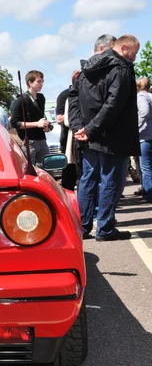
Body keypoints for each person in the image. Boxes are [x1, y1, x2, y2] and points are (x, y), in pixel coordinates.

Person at [70, 35, 140, 241]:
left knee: (88, 179)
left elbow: (73, 99)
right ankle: (105, 228)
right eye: (133, 53)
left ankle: (82, 227)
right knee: (111, 180)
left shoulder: (84, 71)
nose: (134, 58)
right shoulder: (121, 70)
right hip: (112, 136)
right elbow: (113, 105)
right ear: (123, 48)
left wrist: (80, 128)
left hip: (89, 135)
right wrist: (87, 129)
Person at [10, 70, 51, 166]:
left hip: (42, 139)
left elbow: (40, 117)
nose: (42, 84)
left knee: (47, 167)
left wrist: (45, 125)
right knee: (28, 170)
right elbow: (15, 123)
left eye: (42, 81)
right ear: (30, 82)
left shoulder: (41, 98)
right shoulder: (21, 100)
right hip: (29, 142)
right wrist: (37, 124)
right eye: (39, 81)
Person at [56, 70, 82, 191]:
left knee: (80, 171)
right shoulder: (65, 95)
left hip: (78, 136)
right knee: (69, 169)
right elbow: (59, 119)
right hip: (68, 137)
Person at [136, 77, 152, 202]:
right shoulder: (150, 96)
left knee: (145, 166)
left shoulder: (141, 96)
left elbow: (144, 112)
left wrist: (137, 126)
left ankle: (148, 194)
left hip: (146, 135)